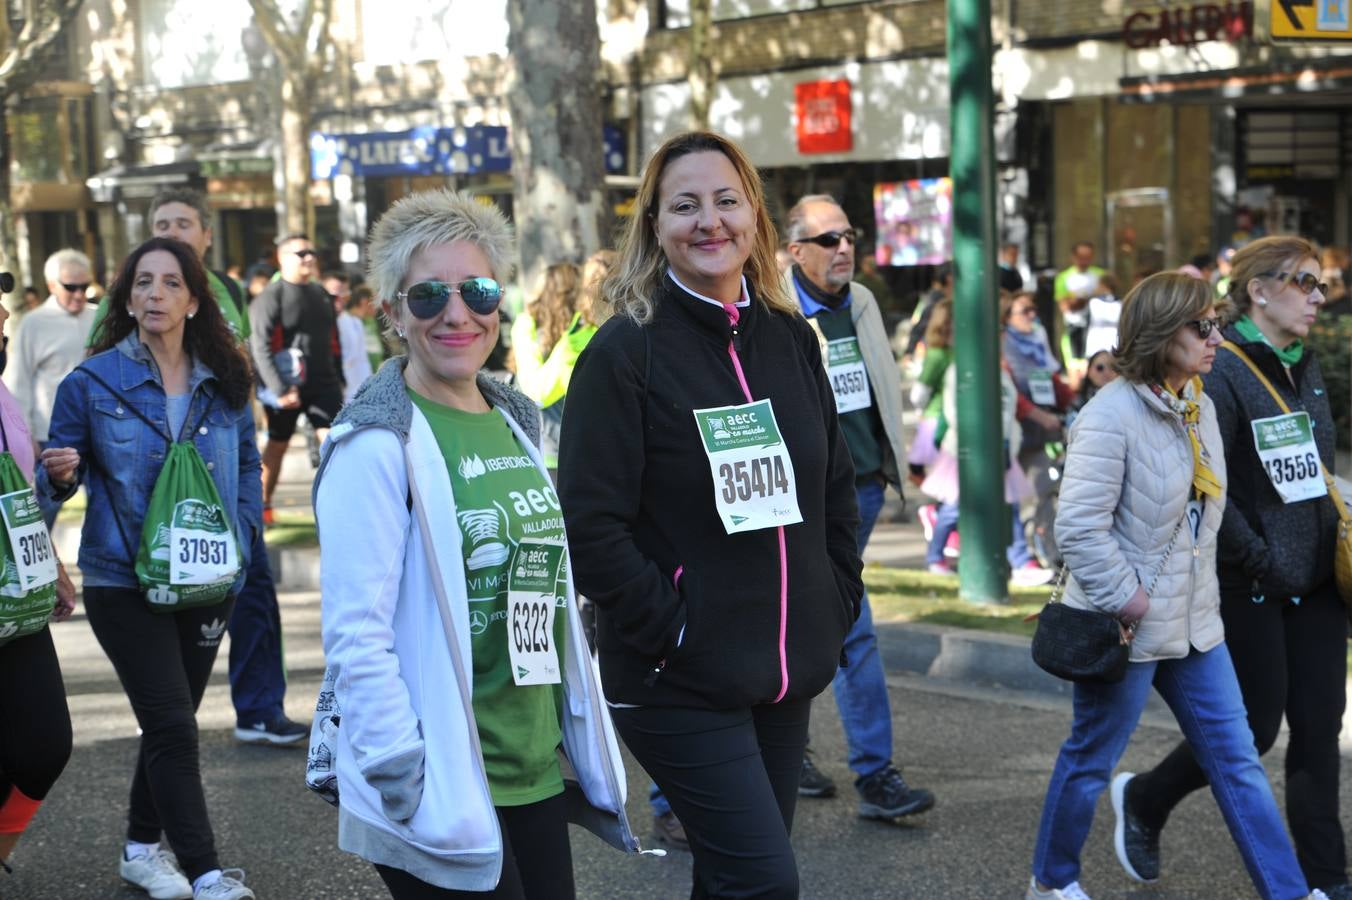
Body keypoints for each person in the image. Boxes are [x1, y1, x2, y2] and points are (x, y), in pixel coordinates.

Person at [558, 130, 864, 898]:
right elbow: (590, 527)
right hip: (676, 678)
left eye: (726, 201)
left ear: (755, 217)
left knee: (734, 878)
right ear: (655, 227)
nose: (709, 222)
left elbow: (833, 486)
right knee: (764, 881)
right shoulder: (624, 352)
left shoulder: (792, 338)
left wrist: (834, 600)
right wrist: (680, 629)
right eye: (684, 206)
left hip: (781, 673)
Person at [314, 188, 639, 899]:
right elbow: (356, 635)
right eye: (428, 296)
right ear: (393, 313)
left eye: (478, 290)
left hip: (532, 764)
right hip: (440, 774)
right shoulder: (374, 444)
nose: (457, 314)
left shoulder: (516, 418)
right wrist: (400, 767)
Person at [1026, 271, 1323, 900]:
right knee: (1090, 761)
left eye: (1216, 323)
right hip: (1126, 624)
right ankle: (1052, 882)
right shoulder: (1110, 415)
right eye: (1202, 326)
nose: (1216, 337)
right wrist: (1133, 601)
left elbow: (1198, 523)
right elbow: (1078, 529)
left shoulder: (1199, 404)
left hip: (1196, 622)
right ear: (1162, 333)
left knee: (1239, 762)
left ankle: (1290, 892)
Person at [1114, 237, 1350, 897]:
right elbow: (1207, 480)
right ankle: (1147, 798)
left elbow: (1309, 468)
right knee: (1256, 727)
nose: (1318, 296)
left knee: (1319, 725)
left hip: (1318, 580)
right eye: (1305, 282)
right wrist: (1262, 561)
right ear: (1259, 290)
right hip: (1251, 579)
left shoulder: (1305, 363)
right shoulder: (1220, 369)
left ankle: (1327, 879)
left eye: (1321, 284)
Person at [39, 237, 260, 900]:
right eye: (142, 283)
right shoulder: (93, 381)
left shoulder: (224, 379)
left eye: (170, 284)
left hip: (208, 577)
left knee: (172, 724)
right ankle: (209, 872)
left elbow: (247, 465)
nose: (155, 295)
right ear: (127, 298)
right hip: (121, 578)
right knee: (170, 722)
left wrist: (245, 538)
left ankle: (140, 849)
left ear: (194, 300)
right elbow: (57, 478)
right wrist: (60, 482)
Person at [90, 188, 305, 748]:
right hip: (156, 490)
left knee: (252, 589)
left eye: (183, 223)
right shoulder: (131, 296)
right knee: (168, 616)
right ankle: (163, 705)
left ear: (206, 236)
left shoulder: (226, 292)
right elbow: (96, 380)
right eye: (161, 222)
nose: (171, 231)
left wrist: (246, 500)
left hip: (223, 470)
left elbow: (241, 372)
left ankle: (258, 709)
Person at [782, 193, 934, 819]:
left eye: (849, 236)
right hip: (805, 499)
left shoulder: (865, 301)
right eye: (827, 240)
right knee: (848, 626)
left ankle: (808, 759)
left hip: (864, 487)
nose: (844, 248)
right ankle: (872, 775)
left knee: (829, 623)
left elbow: (879, 387)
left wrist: (897, 466)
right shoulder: (773, 309)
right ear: (795, 251)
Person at [0, 294, 75, 879]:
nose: (2, 313)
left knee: (43, 746)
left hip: (15, 596)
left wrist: (48, 559)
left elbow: (16, 492)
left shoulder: (1, 393)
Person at [249, 233, 343, 525]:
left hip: (323, 383)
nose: (308, 258)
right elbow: (259, 346)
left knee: (334, 443)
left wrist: (338, 377)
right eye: (301, 253)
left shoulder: (320, 293)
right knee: (276, 446)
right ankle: (261, 510)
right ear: (282, 257)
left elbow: (333, 339)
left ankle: (338, 510)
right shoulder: (270, 296)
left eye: (311, 252)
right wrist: (278, 389)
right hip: (284, 385)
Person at [3, 248, 98, 529]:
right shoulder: (34, 323)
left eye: (84, 286)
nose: (79, 294)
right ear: (52, 285)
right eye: (71, 287)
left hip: (97, 430)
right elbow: (18, 381)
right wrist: (25, 432)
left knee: (104, 507)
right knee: (42, 513)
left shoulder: (99, 319)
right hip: (49, 435)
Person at [510, 262, 582, 468]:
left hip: (546, 448)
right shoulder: (575, 334)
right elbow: (536, 390)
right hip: (567, 446)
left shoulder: (531, 330)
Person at [1053, 241, 1106, 378]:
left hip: (1097, 331)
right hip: (1074, 329)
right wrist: (1088, 298)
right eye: (1081, 256)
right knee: (1076, 370)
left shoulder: (1100, 275)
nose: (1084, 260)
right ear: (1074, 257)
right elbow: (1065, 306)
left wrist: (1079, 299)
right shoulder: (1064, 277)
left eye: (1088, 256)